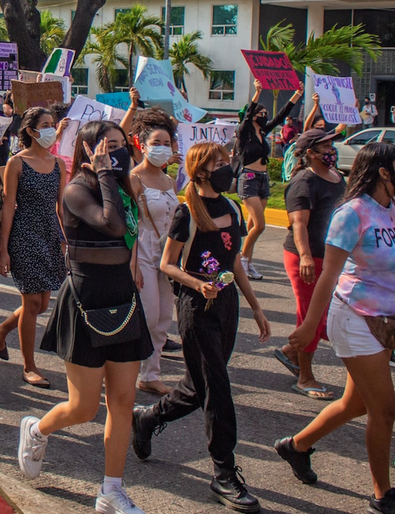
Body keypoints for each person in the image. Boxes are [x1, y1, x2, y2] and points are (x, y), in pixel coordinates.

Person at [19, 121, 152, 514]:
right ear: (88, 149)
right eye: (107, 146)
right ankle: (37, 428)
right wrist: (108, 173)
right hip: (86, 301)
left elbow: (128, 231)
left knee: (123, 401)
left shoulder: (122, 186)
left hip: (123, 298)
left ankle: (111, 491)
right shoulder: (77, 190)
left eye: (121, 145)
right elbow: (110, 223)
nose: (116, 153)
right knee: (84, 407)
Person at [132, 142, 271, 513]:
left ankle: (147, 418)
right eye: (219, 163)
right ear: (201, 169)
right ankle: (224, 473)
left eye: (227, 161)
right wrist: (196, 284)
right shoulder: (186, 212)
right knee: (218, 387)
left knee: (200, 387)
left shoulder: (231, 208)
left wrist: (256, 307)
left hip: (227, 306)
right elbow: (167, 264)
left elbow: (235, 263)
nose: (227, 167)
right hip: (196, 308)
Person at [277, 142, 395, 514]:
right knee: (385, 410)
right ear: (384, 173)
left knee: (354, 404)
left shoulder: (392, 210)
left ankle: (294, 447)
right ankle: (382, 494)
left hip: (388, 320)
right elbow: (329, 274)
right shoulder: (352, 214)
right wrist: (310, 326)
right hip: (355, 319)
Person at [0, 107, 67, 388]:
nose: (52, 128)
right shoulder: (17, 163)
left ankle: (2, 329)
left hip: (49, 234)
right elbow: (8, 207)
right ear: (32, 130)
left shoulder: (58, 163)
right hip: (24, 234)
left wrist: (65, 238)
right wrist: (4, 250)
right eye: (46, 124)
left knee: (43, 304)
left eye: (53, 123)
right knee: (32, 301)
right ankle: (29, 366)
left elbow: (62, 206)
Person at [274, 129, 346, 400]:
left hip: (330, 257)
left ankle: (290, 352)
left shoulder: (338, 178)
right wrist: (305, 257)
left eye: (331, 145)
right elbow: (299, 224)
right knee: (309, 316)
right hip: (306, 257)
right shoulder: (304, 181)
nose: (331, 151)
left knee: (324, 316)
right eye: (325, 147)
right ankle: (305, 378)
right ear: (311, 154)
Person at [129, 108, 180, 396]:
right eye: (156, 143)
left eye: (166, 143)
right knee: (147, 315)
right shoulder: (134, 178)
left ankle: (151, 374)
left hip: (166, 254)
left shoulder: (170, 181)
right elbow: (130, 226)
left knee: (164, 318)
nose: (162, 148)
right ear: (142, 145)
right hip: (143, 252)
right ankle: (128, 370)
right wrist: (133, 264)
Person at [234, 79, 303, 280]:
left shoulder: (263, 132)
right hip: (248, 178)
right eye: (260, 114)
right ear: (253, 115)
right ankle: (242, 262)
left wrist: (297, 94)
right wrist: (257, 92)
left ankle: (247, 261)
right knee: (260, 225)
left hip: (263, 179)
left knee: (252, 225)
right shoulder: (244, 132)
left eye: (265, 115)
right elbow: (247, 116)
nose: (264, 117)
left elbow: (282, 114)